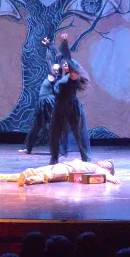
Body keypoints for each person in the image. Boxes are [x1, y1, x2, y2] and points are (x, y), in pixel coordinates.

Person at [20, 37, 68, 156]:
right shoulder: (51, 76)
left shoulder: (54, 76)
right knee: (36, 126)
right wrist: (49, 46)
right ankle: (28, 148)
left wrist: (49, 47)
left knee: (52, 127)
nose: (54, 67)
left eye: (56, 67)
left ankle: (59, 149)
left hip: (48, 103)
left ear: (57, 71)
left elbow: (49, 61)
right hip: (42, 103)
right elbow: (50, 62)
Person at [49, 33, 91, 164]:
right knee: (54, 133)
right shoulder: (61, 78)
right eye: (64, 63)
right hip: (59, 106)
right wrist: (49, 48)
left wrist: (65, 44)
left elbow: (68, 57)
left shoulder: (74, 75)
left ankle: (86, 159)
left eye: (68, 63)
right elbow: (50, 62)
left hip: (72, 107)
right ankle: (54, 159)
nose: (65, 63)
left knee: (78, 133)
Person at [0, 159, 117, 187]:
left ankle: (27, 181)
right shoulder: (91, 164)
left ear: (109, 168)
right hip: (61, 166)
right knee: (35, 170)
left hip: (67, 171)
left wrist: (113, 179)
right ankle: (1, 176)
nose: (103, 162)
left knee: (46, 175)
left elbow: (108, 177)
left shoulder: (102, 170)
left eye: (107, 163)